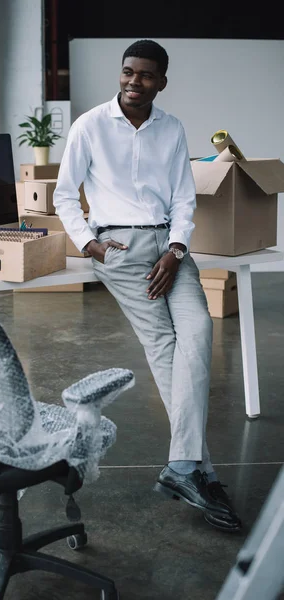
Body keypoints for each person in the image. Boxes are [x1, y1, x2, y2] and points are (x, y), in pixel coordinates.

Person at [53, 39, 241, 532]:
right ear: (121, 74)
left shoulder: (172, 128)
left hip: (169, 250)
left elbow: (183, 198)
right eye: (127, 72)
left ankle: (184, 467)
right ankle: (197, 468)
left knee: (197, 333)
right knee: (163, 345)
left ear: (161, 81)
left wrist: (176, 250)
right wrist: (89, 243)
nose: (134, 82)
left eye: (145, 75)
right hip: (118, 250)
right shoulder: (90, 125)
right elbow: (63, 194)